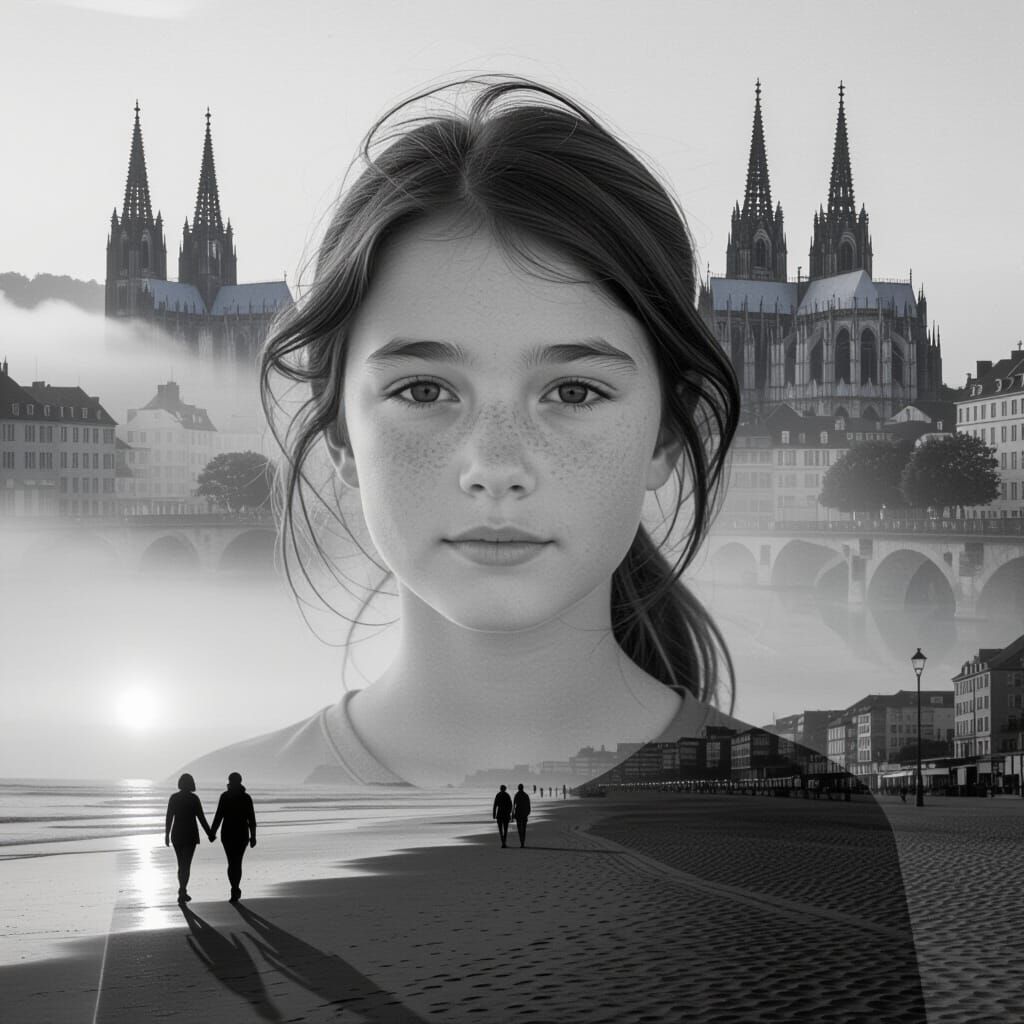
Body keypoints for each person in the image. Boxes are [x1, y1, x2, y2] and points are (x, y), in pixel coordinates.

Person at [164, 773, 212, 904]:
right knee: (186, 864)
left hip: (177, 834)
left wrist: (166, 834)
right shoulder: (194, 798)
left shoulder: (174, 798)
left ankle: (182, 890)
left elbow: (169, 817)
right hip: (190, 835)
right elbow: (201, 818)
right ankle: (183, 890)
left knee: (181, 864)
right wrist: (210, 833)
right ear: (191, 783)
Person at [210, 772, 257, 903]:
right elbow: (251, 819)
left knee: (232, 862)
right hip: (241, 833)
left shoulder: (225, 796)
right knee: (237, 862)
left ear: (230, 781)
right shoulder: (246, 797)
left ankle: (234, 888)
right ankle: (235, 888)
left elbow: (218, 816)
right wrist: (253, 836)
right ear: (240, 781)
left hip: (228, 833)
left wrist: (212, 832)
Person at [511, 783, 531, 848]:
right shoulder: (526, 795)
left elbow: (513, 806)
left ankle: (521, 842)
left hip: (518, 814)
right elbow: (528, 805)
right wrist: (528, 812)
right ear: (523, 788)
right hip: (524, 814)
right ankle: (523, 842)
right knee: (524, 829)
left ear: (518, 788)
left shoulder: (516, 795)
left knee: (519, 829)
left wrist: (512, 815)